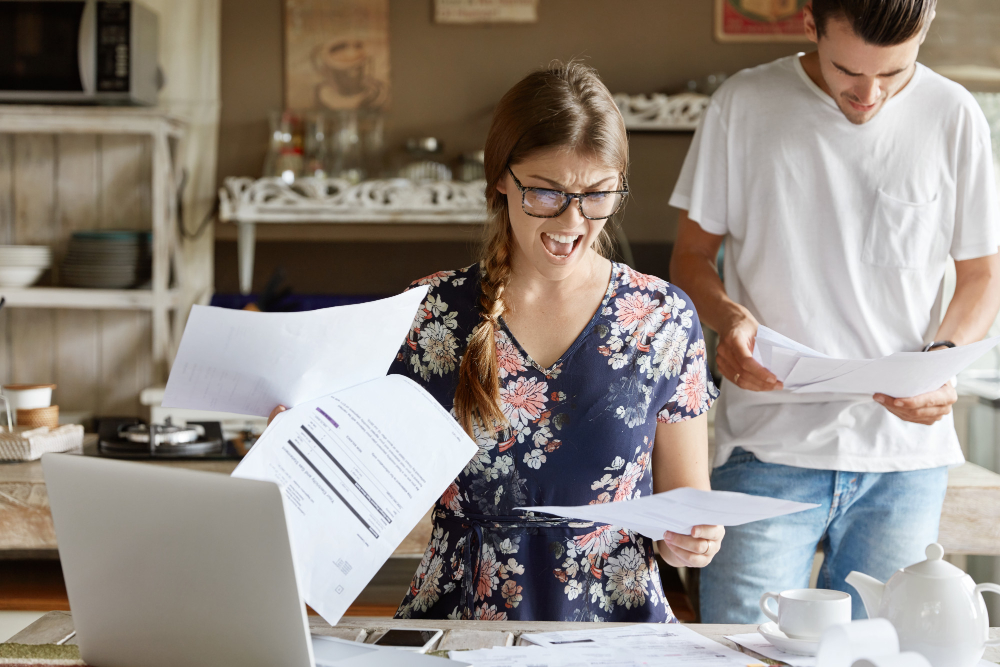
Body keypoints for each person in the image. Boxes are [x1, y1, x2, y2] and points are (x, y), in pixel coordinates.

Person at [669, 0, 1000, 623]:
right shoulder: (743, 103)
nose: (869, 95)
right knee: (739, 652)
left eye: (894, 74)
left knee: (886, 658)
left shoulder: (954, 113)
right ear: (810, 27)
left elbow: (983, 275)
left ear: (923, 34)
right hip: (767, 447)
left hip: (904, 460)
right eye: (848, 70)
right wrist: (730, 318)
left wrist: (942, 360)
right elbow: (690, 258)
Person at [388, 62, 722, 622]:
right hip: (463, 624)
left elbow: (687, 500)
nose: (573, 219)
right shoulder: (432, 313)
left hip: (616, 632)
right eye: (546, 193)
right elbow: (378, 484)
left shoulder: (662, 319)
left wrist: (692, 540)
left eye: (597, 194)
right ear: (500, 178)